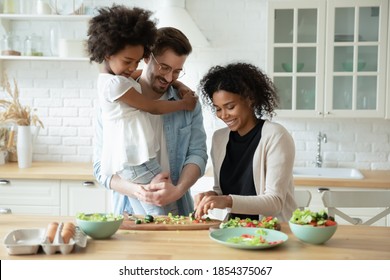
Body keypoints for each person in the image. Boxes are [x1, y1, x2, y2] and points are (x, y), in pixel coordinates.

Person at [88, 5, 198, 215]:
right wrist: (183, 104)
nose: (168, 78)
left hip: (135, 168)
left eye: (176, 72)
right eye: (164, 68)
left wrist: (180, 86)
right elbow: (153, 107)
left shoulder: (119, 80)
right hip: (136, 162)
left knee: (156, 219)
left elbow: (197, 155)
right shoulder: (116, 86)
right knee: (165, 217)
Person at [195, 62, 297, 222]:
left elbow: (275, 202)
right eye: (218, 108)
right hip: (232, 230)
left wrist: (225, 200)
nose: (223, 115)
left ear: (250, 99)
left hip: (272, 232)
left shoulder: (275, 136)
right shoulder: (219, 138)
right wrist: (211, 196)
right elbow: (222, 191)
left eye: (230, 106)